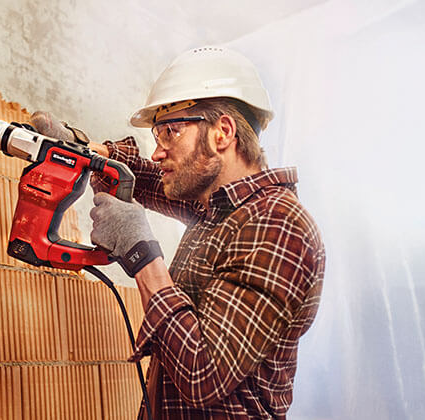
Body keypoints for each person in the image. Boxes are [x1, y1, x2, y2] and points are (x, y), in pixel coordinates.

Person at [31, 46, 325, 419]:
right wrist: (86, 152)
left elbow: (202, 372)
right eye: (158, 134)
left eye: (171, 132)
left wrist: (140, 251)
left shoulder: (278, 226)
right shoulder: (219, 207)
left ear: (223, 132)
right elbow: (146, 178)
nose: (157, 151)